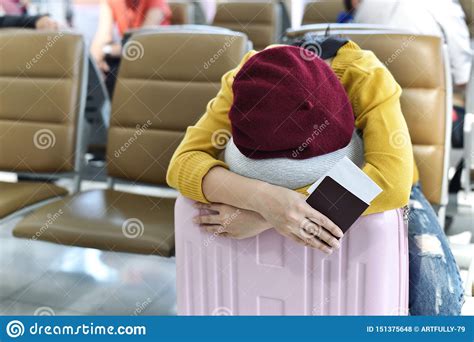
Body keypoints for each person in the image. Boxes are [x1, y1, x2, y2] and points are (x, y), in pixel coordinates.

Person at [166, 36, 464, 315]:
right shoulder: (244, 82)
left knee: (436, 298)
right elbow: (182, 163)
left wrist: (273, 214)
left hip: (381, 188)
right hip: (269, 188)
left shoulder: (366, 76)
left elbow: (389, 182)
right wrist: (266, 200)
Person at [349, 0, 473, 193]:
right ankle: (452, 190)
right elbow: (463, 78)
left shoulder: (365, 7)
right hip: (427, 124)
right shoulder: (446, 8)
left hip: (364, 126)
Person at [90, 0, 171, 96]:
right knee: (98, 72)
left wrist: (106, 50)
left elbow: (142, 41)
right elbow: (103, 35)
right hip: (127, 53)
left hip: (155, 57)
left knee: (114, 73)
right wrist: (94, 67)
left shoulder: (156, 2)